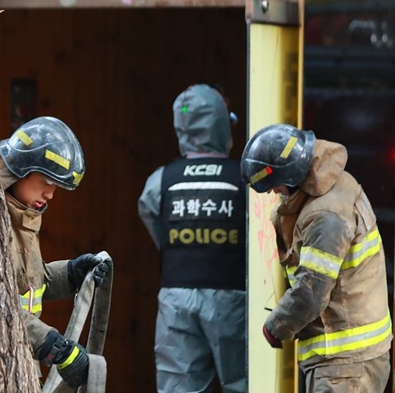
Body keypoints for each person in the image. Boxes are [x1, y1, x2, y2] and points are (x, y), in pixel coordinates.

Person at [241, 123, 392, 393]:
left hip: (345, 365)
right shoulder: (334, 184)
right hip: (350, 359)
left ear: (291, 176)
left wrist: (278, 325)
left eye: (274, 186)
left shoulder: (325, 216)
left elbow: (312, 290)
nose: (275, 193)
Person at [138, 84, 246, 393]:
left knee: (178, 386)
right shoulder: (243, 178)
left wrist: (180, 251)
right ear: (222, 126)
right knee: (242, 383)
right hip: (233, 298)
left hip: (176, 298)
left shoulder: (162, 179)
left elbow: (150, 215)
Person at [0, 116, 110, 389]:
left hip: (17, 366)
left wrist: (72, 274)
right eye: (46, 181)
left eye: (56, 186)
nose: (50, 194)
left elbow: (29, 286)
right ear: (21, 169)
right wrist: (56, 348)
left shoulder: (22, 216)